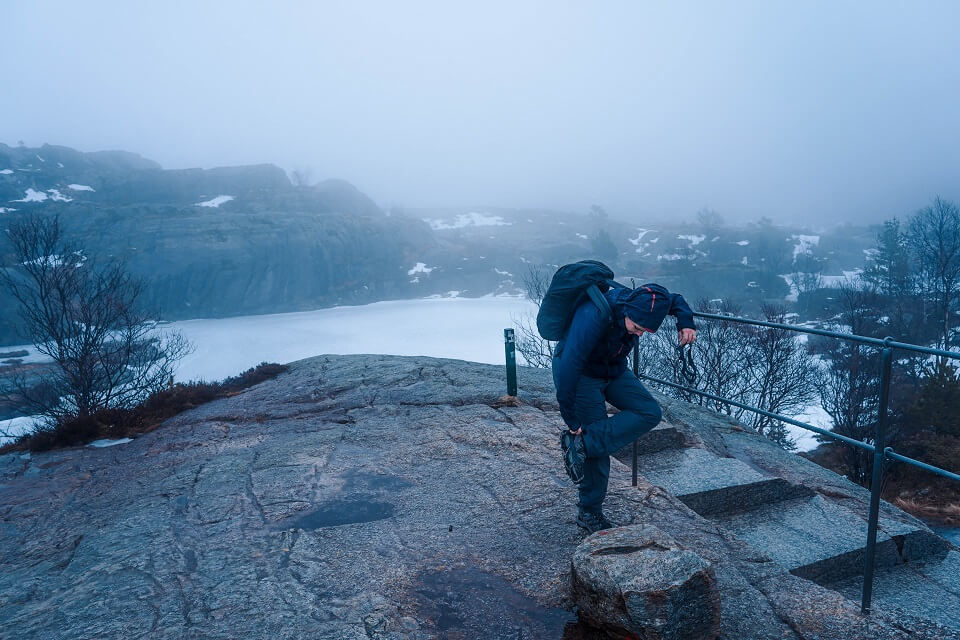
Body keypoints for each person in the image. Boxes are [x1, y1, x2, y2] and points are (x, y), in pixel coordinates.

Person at [553, 282, 696, 533]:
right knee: (596, 445)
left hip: (613, 369)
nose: (639, 334)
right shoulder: (594, 316)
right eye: (638, 328)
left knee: (649, 412)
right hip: (582, 375)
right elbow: (568, 365)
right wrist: (571, 418)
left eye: (645, 331)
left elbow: (673, 298)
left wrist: (685, 321)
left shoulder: (643, 300)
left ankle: (582, 445)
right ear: (627, 311)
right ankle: (589, 512)